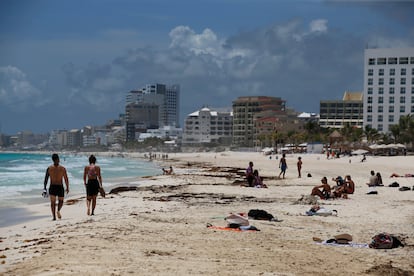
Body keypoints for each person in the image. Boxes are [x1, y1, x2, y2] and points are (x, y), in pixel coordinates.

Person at [43, 153, 69, 221]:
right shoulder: (62, 168)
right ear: (58, 159)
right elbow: (66, 178)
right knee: (59, 202)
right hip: (59, 186)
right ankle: (56, 213)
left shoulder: (49, 168)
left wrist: (45, 188)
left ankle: (55, 215)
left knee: (54, 203)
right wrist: (67, 187)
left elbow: (46, 179)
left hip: (53, 187)